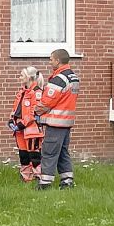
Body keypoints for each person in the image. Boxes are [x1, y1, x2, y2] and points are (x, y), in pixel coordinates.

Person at [34, 49, 80, 190]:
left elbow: (48, 101)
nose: (50, 62)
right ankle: (67, 181)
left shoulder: (59, 78)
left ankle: (45, 183)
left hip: (55, 122)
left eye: (51, 59)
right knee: (62, 151)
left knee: (49, 151)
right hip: (66, 121)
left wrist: (35, 110)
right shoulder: (73, 77)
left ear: (58, 61)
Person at [9, 66, 45, 182]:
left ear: (29, 77)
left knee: (34, 156)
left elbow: (34, 112)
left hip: (31, 130)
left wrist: (22, 123)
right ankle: (26, 177)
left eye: (22, 75)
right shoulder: (21, 92)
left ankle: (38, 177)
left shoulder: (37, 92)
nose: (20, 78)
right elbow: (16, 108)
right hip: (20, 129)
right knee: (23, 155)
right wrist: (11, 119)